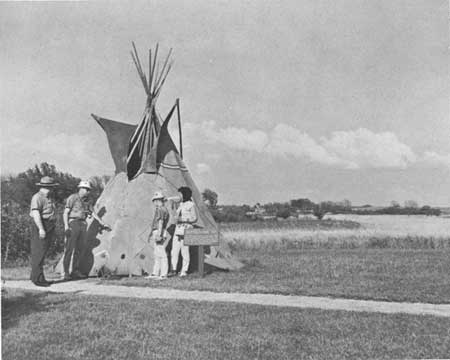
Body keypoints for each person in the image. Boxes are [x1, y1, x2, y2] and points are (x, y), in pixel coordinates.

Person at [63, 180, 109, 280]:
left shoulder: (88, 201)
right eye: (86, 189)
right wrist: (66, 226)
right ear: (80, 188)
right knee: (69, 249)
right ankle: (66, 272)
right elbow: (66, 212)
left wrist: (102, 223)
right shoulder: (73, 198)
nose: (88, 191)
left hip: (83, 224)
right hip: (73, 222)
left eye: (89, 190)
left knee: (79, 250)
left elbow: (93, 213)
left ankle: (75, 271)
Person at [29, 176, 58, 287]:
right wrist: (41, 228)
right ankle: (37, 279)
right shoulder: (37, 197)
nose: (52, 189)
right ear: (47, 187)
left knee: (42, 251)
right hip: (41, 224)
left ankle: (37, 277)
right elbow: (36, 214)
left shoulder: (48, 197)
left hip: (48, 224)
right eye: (51, 187)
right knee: (38, 252)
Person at [170, 186, 197, 277]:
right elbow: (175, 216)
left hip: (186, 229)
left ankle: (184, 270)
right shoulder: (181, 204)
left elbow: (194, 218)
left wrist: (183, 219)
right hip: (178, 229)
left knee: (185, 251)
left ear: (185, 194)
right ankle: (173, 269)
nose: (179, 195)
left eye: (180, 193)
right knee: (174, 250)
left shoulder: (191, 205)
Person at [146, 191, 170, 280]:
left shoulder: (161, 209)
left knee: (161, 253)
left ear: (158, 200)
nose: (155, 202)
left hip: (159, 231)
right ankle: (155, 273)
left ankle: (163, 274)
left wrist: (159, 234)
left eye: (155, 200)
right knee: (157, 253)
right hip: (157, 231)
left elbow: (161, 222)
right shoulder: (162, 209)